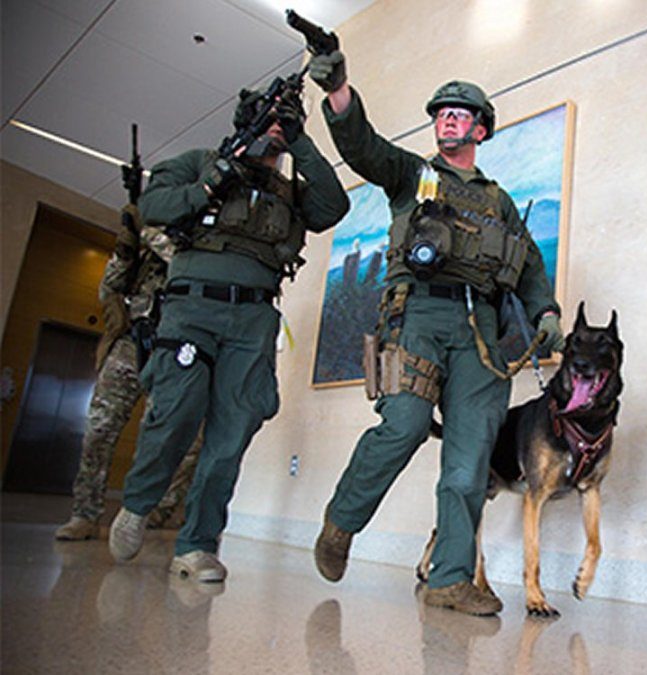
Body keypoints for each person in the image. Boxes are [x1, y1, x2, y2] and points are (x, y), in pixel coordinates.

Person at [306, 50, 563, 615]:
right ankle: (341, 521)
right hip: (416, 319)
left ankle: (450, 578)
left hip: (483, 335)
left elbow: (528, 270)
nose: (447, 119)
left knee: (470, 461)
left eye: (459, 112)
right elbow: (363, 148)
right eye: (441, 112)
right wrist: (340, 90)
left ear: (481, 128)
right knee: (403, 426)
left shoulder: (500, 203)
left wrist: (545, 315)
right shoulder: (412, 176)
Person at [106, 85, 349, 583]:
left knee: (230, 435)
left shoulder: (291, 190)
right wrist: (213, 181)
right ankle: (137, 504)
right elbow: (153, 206)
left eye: (286, 123)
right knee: (174, 414)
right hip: (191, 310)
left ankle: (197, 545)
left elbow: (333, 207)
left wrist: (300, 142)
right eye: (271, 122)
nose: (277, 132)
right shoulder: (198, 162)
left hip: (253, 320)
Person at [55, 185, 202, 540]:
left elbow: (184, 266)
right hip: (130, 342)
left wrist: (148, 230)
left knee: (165, 439)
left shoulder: (194, 245)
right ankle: (85, 514)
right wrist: (125, 244)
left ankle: (152, 511)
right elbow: (109, 288)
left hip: (173, 349)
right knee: (99, 430)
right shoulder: (142, 252)